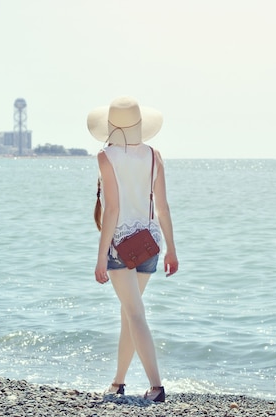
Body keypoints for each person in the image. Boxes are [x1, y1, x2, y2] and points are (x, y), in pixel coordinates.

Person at [87, 96, 179, 402]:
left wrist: (101, 257)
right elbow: (163, 208)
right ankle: (118, 381)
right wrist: (171, 250)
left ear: (112, 127)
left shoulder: (106, 157)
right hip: (150, 244)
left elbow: (111, 210)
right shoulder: (154, 155)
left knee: (135, 313)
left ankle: (156, 386)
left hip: (120, 246)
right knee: (130, 312)